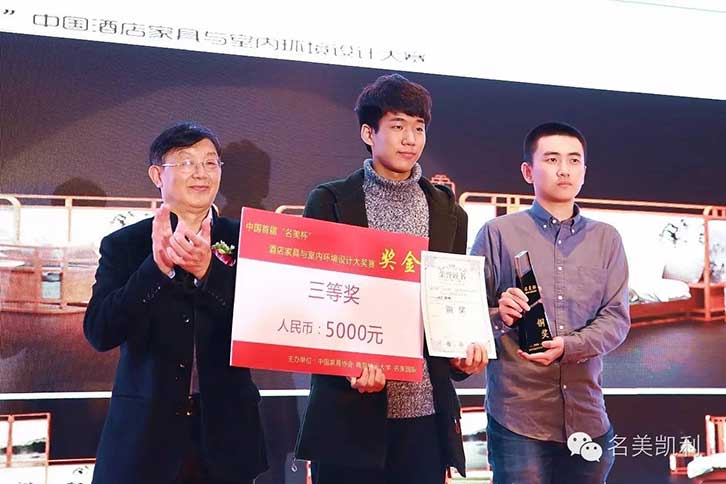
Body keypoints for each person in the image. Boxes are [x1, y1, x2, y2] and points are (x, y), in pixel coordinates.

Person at [295, 73, 488, 484]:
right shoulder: (331, 201)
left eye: (419, 128)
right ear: (369, 133)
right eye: (398, 126)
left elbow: (449, 302)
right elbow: (312, 302)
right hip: (349, 410)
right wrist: (346, 365)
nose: (410, 139)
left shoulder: (448, 212)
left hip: (424, 414)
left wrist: (461, 358)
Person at [84, 122, 267, 484]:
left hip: (227, 437)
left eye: (210, 163)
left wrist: (210, 272)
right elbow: (100, 331)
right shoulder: (124, 244)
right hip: (144, 439)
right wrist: (155, 269)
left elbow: (269, 323)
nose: (201, 173)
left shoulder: (249, 239)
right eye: (186, 162)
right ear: (157, 175)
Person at [471, 122, 630, 483]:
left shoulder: (607, 239)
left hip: (588, 416)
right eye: (552, 159)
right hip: (518, 418)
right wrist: (500, 315)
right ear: (528, 171)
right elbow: (467, 313)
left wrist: (569, 347)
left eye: (574, 161)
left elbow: (616, 319)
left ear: (584, 172)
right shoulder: (497, 233)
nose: (564, 170)